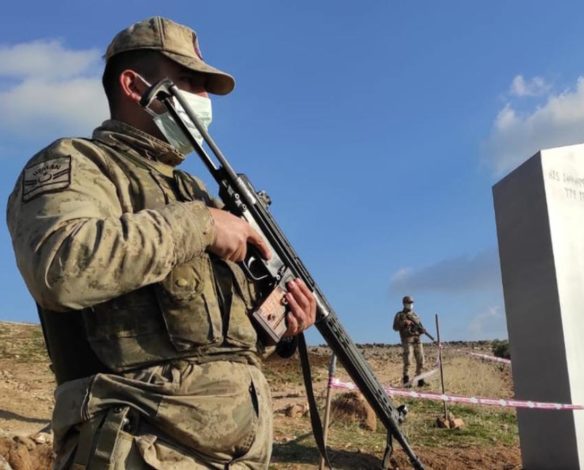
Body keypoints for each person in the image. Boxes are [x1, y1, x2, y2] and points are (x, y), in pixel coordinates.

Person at [6, 17, 317, 469]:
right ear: (134, 86)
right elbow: (60, 268)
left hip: (238, 456)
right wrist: (201, 227)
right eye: (190, 82)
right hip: (138, 447)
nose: (203, 100)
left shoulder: (193, 192)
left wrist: (282, 329)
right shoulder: (77, 163)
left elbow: (218, 342)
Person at [392, 295, 427, 387]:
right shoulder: (400, 315)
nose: (410, 305)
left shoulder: (415, 315)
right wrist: (404, 323)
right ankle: (406, 380)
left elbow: (420, 327)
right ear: (404, 304)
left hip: (417, 340)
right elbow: (395, 327)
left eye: (411, 303)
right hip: (407, 340)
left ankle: (420, 380)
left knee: (421, 361)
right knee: (408, 361)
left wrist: (422, 330)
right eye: (408, 303)